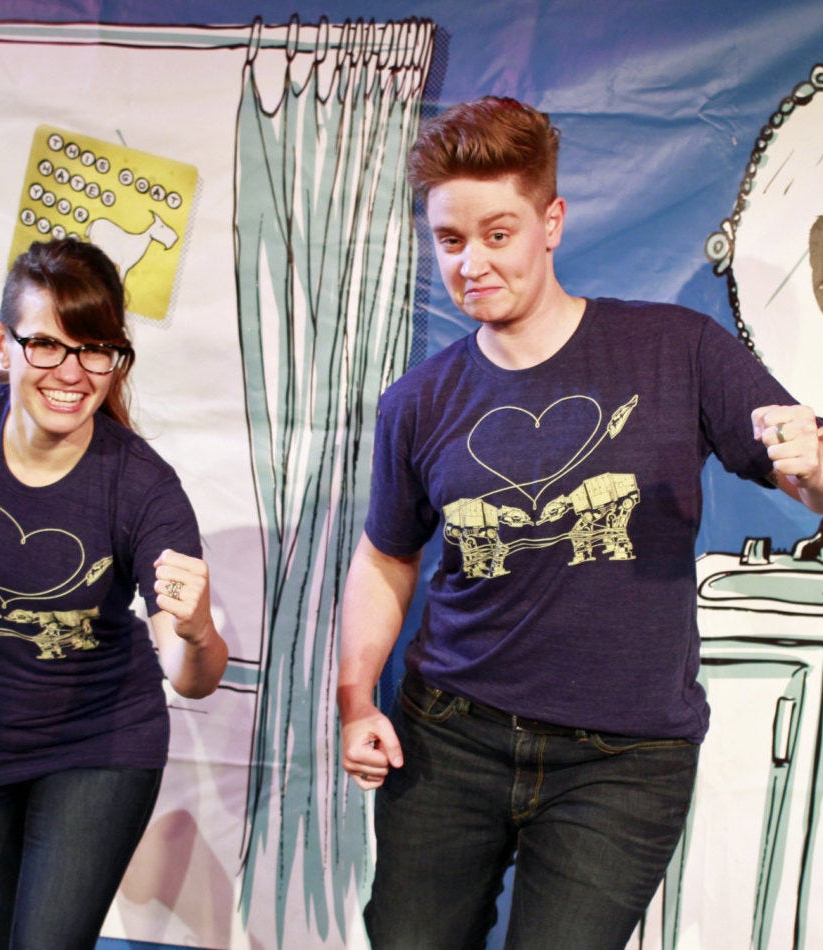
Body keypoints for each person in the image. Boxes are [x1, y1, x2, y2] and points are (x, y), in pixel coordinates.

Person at [337, 96, 823, 950]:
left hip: (624, 763)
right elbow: (384, 557)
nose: (473, 263)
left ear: (551, 221)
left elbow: (808, 482)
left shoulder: (677, 349)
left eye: (499, 233)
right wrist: (353, 699)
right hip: (451, 737)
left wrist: (816, 469)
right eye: (451, 241)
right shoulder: (418, 403)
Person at [0, 238, 229, 950]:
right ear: (3, 342)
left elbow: (189, 680)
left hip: (93, 742)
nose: (72, 373)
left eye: (95, 349)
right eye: (46, 346)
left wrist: (196, 633)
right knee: (2, 937)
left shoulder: (144, 491)